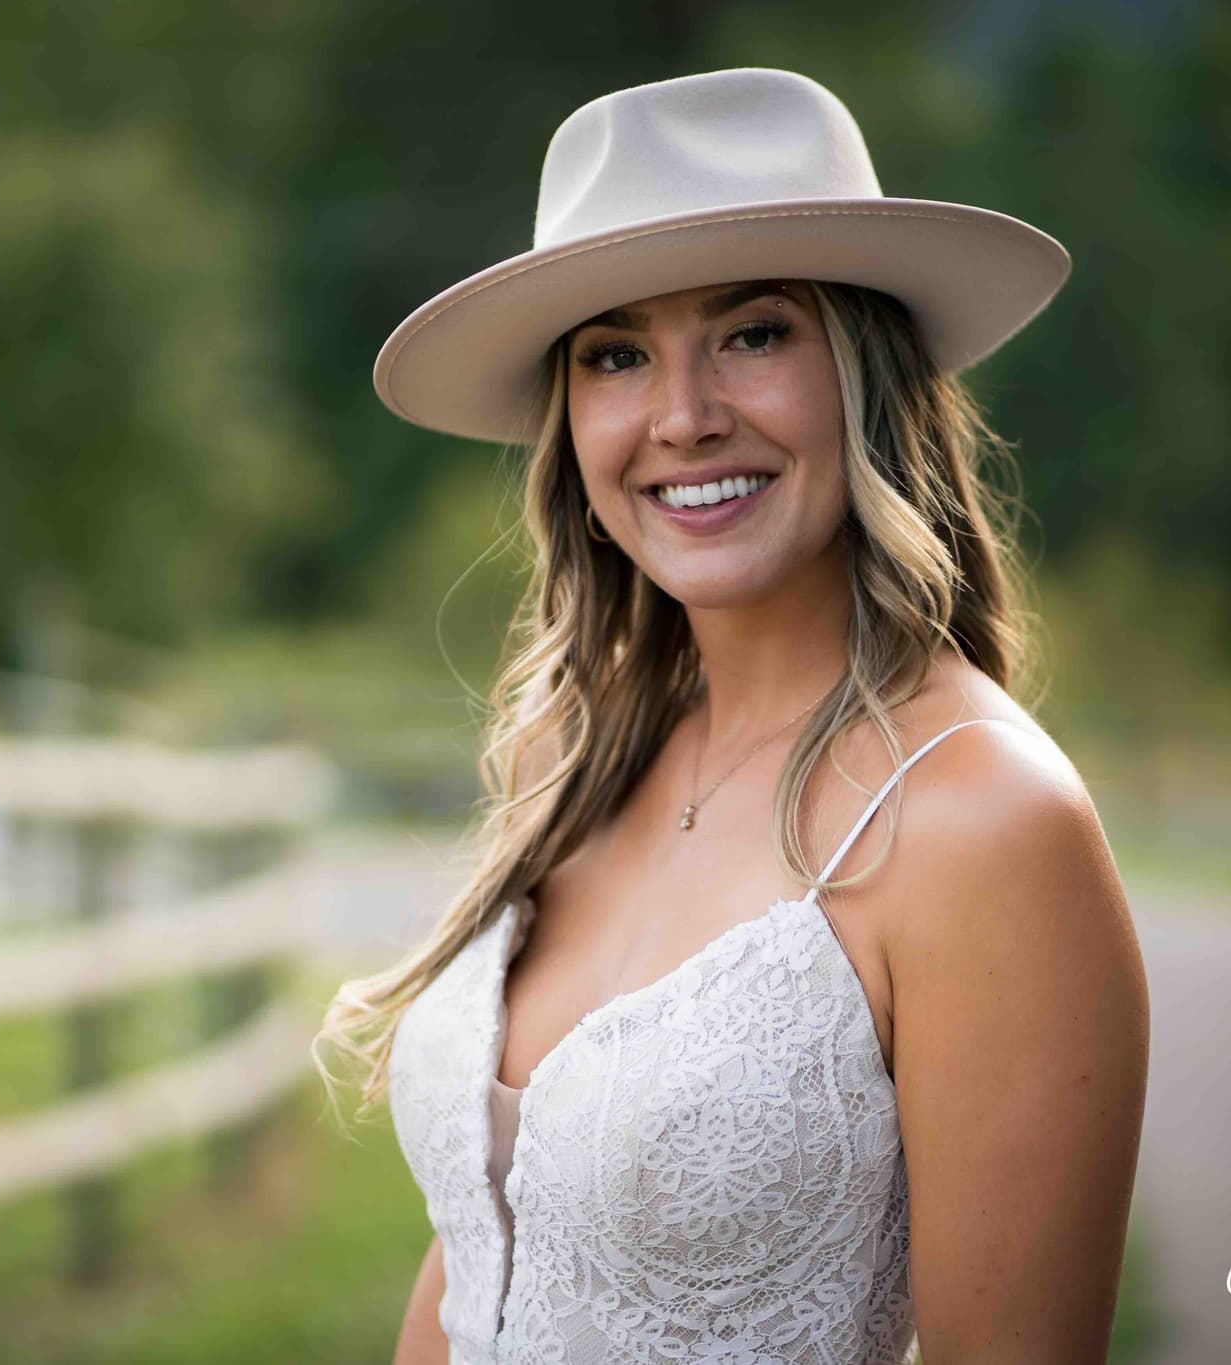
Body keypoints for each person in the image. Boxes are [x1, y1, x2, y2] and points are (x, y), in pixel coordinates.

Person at [312, 68, 1149, 1365]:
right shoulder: (573, 759)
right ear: (570, 423)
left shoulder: (983, 823)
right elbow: (480, 1262)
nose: (684, 416)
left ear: (866, 373)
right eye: (617, 353)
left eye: (755, 333)